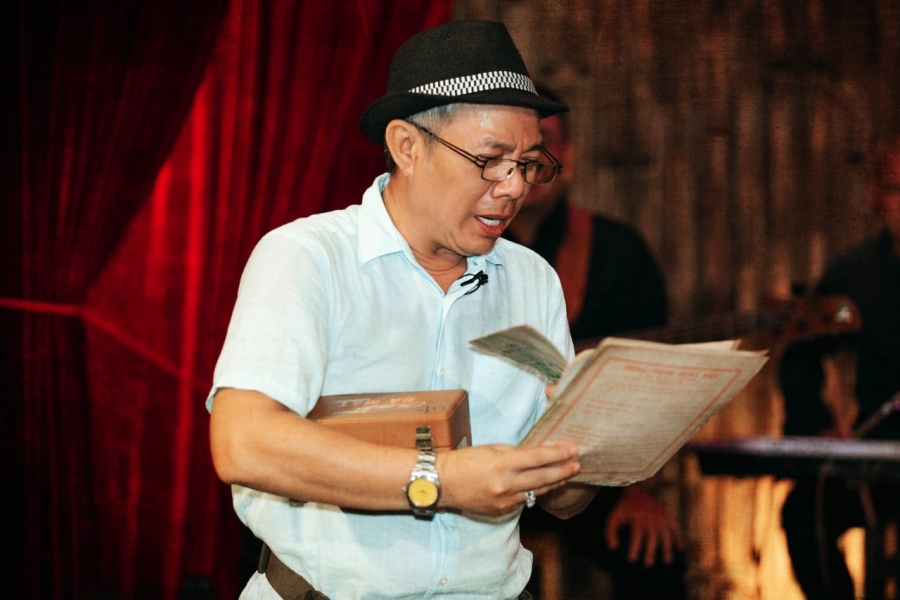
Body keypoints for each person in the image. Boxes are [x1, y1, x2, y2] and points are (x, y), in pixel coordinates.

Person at [207, 20, 602, 599]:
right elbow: (243, 441)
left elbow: (566, 502)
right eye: (490, 160)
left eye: (528, 164)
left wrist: (596, 445)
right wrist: (442, 480)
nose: (515, 187)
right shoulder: (309, 258)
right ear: (407, 146)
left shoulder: (532, 279)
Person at [504, 92, 688, 600]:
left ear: (568, 158)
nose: (527, 159)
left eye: (541, 144)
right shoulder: (465, 250)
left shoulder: (617, 252)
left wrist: (639, 488)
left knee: (653, 554)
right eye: (511, 147)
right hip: (478, 464)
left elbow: (650, 387)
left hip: (588, 475)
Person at [779, 135, 900, 599]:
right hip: (878, 450)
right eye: (895, 189)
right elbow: (801, 353)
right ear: (876, 196)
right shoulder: (856, 275)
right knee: (805, 511)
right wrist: (818, 427)